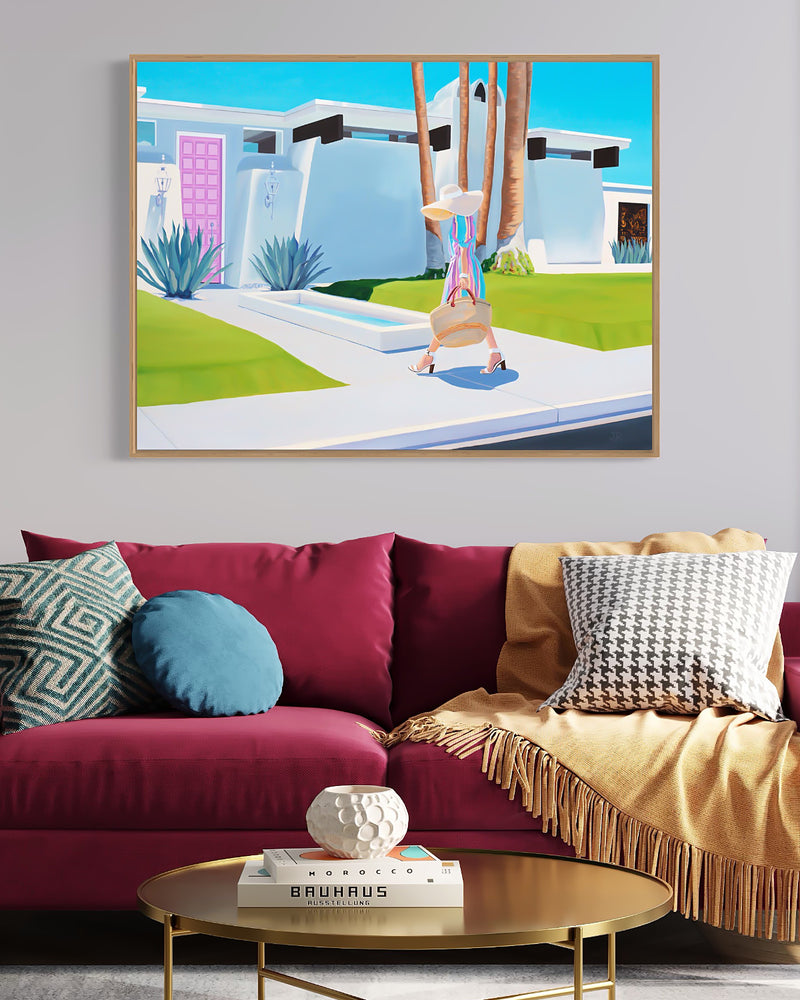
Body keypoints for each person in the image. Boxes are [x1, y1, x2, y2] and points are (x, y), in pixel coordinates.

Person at [409, 184, 505, 376]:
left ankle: (429, 356)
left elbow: (462, 250)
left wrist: (462, 276)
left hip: (462, 269)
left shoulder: (461, 220)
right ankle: (495, 353)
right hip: (467, 268)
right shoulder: (464, 217)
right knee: (474, 311)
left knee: (447, 311)